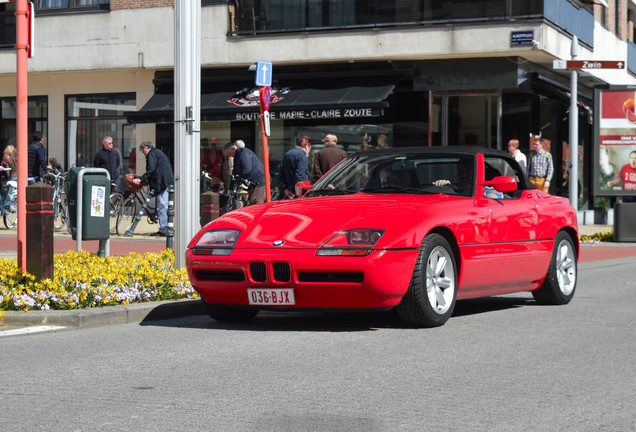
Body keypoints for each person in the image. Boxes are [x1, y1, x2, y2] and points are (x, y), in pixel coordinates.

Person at [133, 142, 174, 237]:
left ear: (147, 148)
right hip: (166, 181)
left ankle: (165, 229)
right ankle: (166, 227)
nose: (143, 153)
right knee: (163, 206)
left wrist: (142, 179)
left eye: (143, 151)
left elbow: (151, 169)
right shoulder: (157, 153)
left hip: (162, 182)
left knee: (162, 206)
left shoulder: (151, 154)